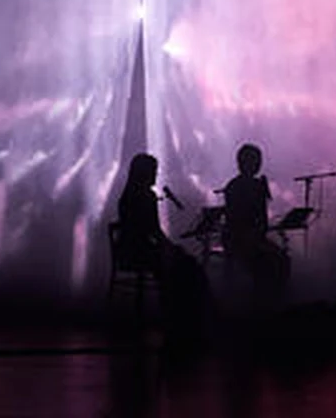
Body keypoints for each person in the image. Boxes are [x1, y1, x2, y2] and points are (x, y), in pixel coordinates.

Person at [116, 153, 208, 341]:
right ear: (144, 173)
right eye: (153, 171)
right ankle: (182, 318)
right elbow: (154, 231)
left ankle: (180, 318)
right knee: (185, 266)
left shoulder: (128, 195)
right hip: (140, 252)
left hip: (129, 249)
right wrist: (171, 248)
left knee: (182, 263)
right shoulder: (146, 196)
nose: (156, 175)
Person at [222, 143, 289, 297]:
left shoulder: (256, 184)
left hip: (255, 237)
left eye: (259, 160)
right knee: (270, 262)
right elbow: (235, 219)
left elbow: (261, 216)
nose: (259, 164)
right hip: (239, 238)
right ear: (243, 163)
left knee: (281, 259)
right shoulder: (235, 186)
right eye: (255, 160)